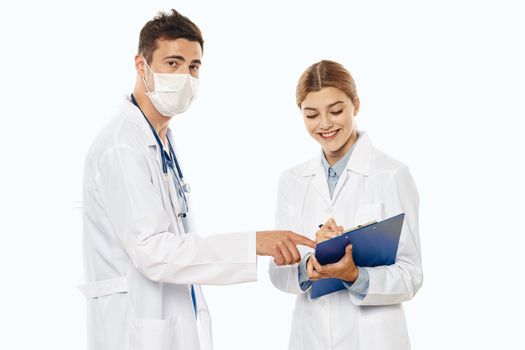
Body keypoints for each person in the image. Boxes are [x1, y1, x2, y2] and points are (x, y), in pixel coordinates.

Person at [80, 9, 315, 350]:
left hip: (169, 321)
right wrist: (254, 243)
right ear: (141, 65)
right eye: (172, 63)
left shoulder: (160, 140)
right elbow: (154, 252)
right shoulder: (121, 147)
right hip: (133, 328)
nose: (186, 77)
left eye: (193, 67)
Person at [269, 60, 423, 350]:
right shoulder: (292, 180)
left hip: (374, 339)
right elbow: (278, 272)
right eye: (311, 114)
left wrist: (354, 275)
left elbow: (411, 275)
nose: (325, 124)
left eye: (336, 111)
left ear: (356, 105)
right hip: (310, 337)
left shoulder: (392, 175)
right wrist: (308, 267)